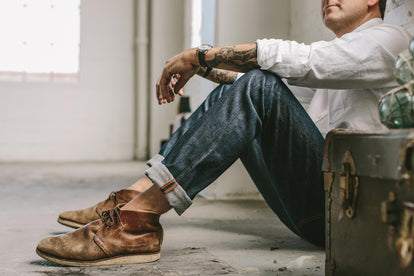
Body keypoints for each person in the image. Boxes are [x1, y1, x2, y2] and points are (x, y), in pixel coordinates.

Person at [36, 0, 411, 266]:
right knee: (251, 89)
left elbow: (299, 64)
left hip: (348, 213)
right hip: (317, 209)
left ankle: (138, 221)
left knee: (259, 86)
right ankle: (133, 199)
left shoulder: (391, 41)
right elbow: (259, 91)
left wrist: (200, 54)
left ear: (373, 0)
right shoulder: (343, 57)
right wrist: (206, 71)